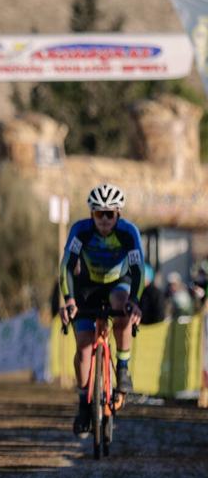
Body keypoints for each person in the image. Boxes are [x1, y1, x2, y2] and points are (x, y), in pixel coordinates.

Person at [58, 183, 143, 436]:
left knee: (122, 307)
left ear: (118, 214)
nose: (104, 220)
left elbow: (138, 270)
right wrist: (69, 300)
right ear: (91, 214)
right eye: (99, 214)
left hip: (119, 282)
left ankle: (123, 368)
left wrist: (135, 301)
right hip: (87, 287)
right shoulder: (80, 230)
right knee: (84, 350)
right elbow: (66, 267)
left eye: (109, 214)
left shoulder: (128, 233)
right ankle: (84, 403)